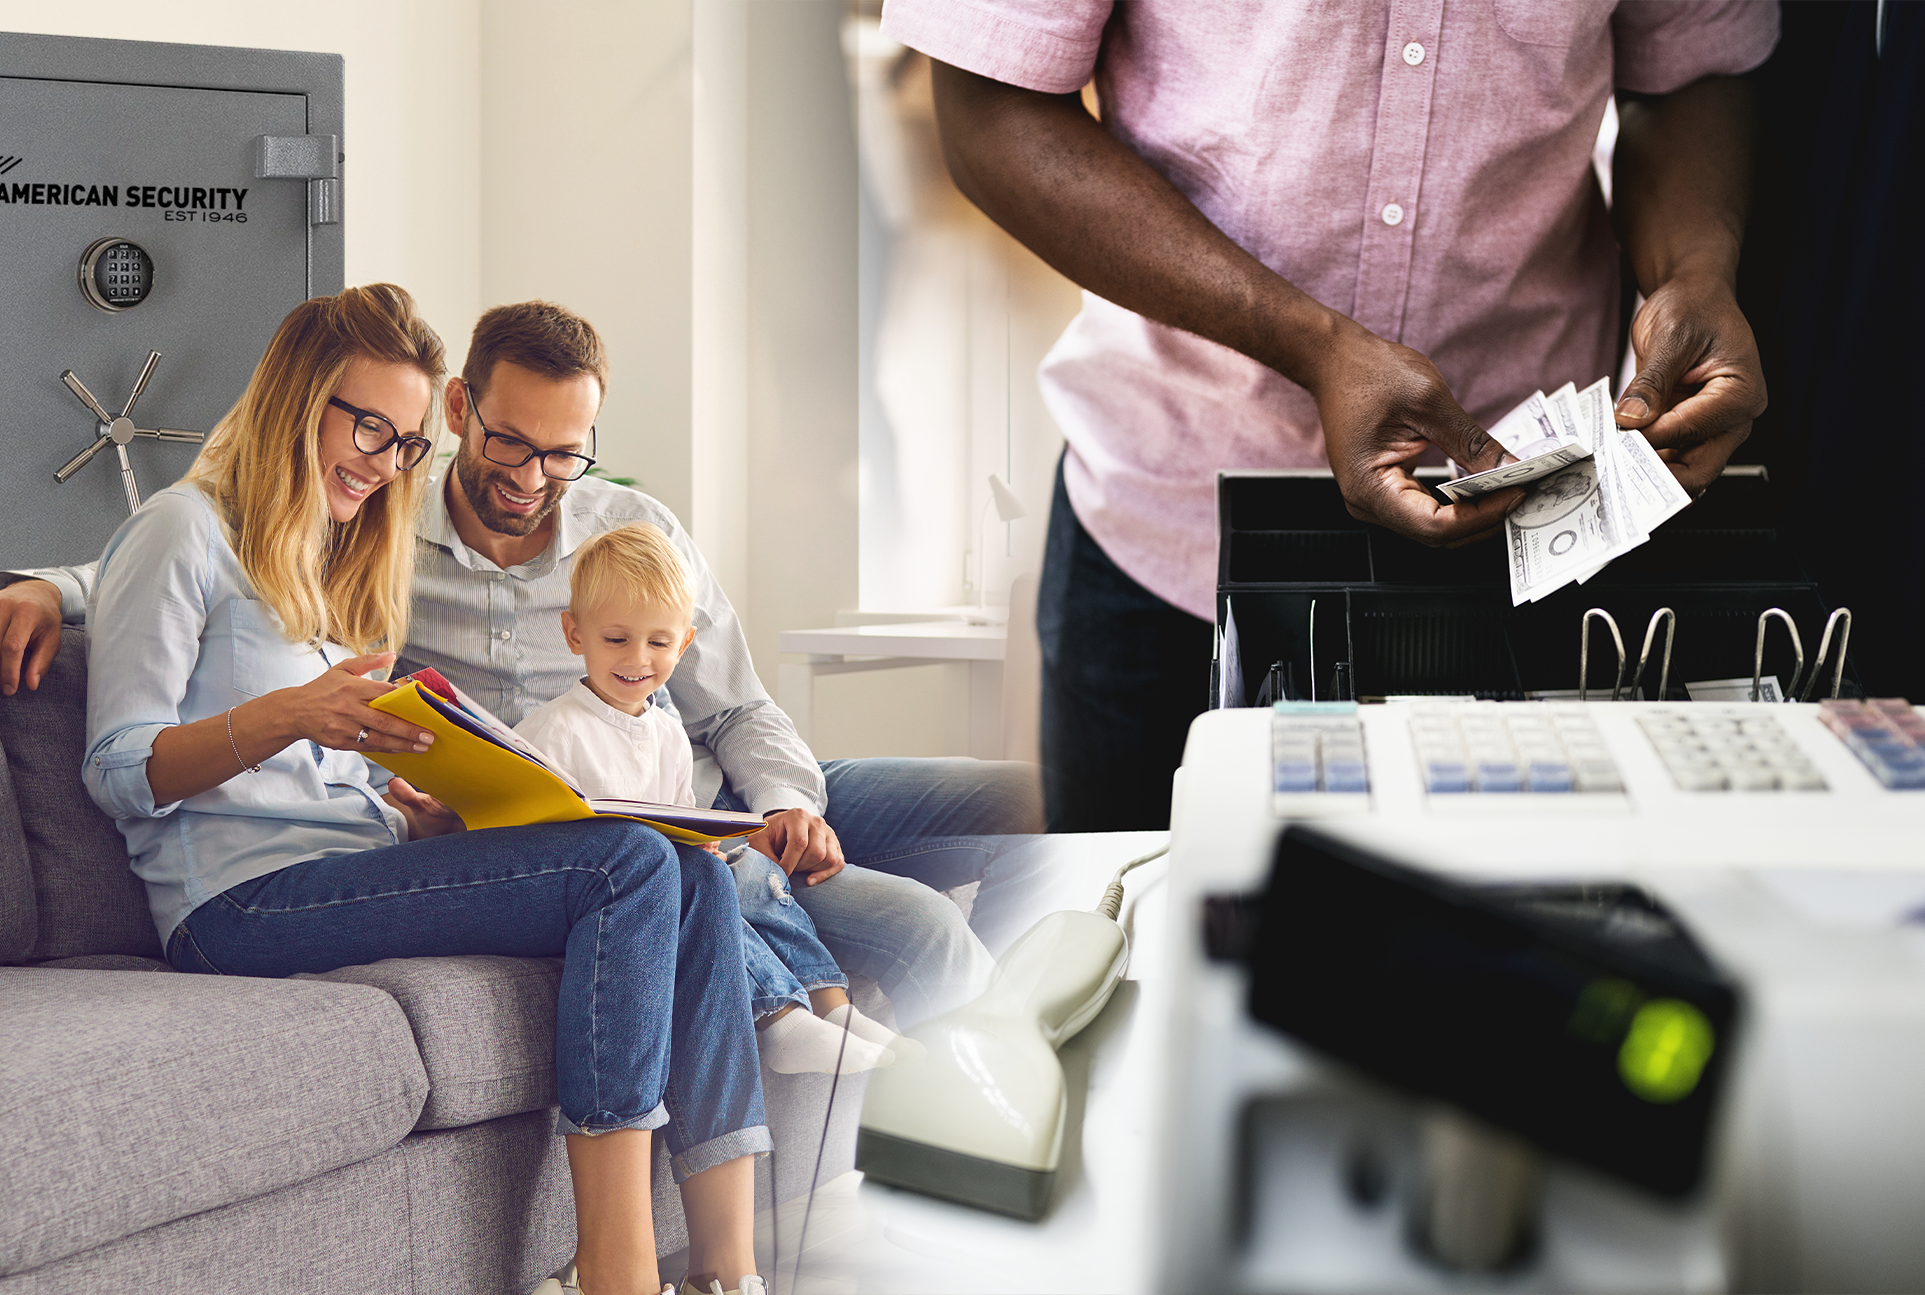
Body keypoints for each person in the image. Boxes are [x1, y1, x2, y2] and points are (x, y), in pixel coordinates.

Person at [879, 0, 1778, 830]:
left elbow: (1691, 67)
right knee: (1145, 967)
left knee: (1502, 983)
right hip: (1166, 531)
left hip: (1529, 548)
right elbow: (988, 105)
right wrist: (1310, 343)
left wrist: (1693, 269)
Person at [3, 300, 1023, 1026]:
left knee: (1033, 794)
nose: (533, 477)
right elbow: (203, 555)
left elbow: (738, 708)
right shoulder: (374, 524)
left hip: (721, 790)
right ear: (460, 411)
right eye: (509, 443)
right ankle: (944, 1156)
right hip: (629, 829)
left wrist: (792, 798)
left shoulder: (630, 524)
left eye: (564, 453)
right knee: (923, 928)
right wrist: (52, 587)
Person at [82, 284, 766, 1295]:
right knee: (624, 868)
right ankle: (613, 1274)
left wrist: (428, 796)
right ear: (291, 398)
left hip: (357, 860)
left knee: (691, 873)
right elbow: (118, 770)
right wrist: (288, 715)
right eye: (367, 425)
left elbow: (341, 764)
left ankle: (726, 1271)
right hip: (235, 905)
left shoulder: (329, 555)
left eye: (403, 442)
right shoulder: (182, 531)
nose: (383, 460)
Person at [515, 521, 911, 1074]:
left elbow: (682, 819)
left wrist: (717, 846)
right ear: (575, 635)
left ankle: (832, 1005)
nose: (637, 658)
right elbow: (527, 840)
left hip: (669, 873)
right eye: (615, 639)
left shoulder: (668, 733)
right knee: (698, 892)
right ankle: (779, 1019)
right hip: (603, 895)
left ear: (685, 644)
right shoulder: (551, 733)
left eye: (658, 642)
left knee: (744, 873)